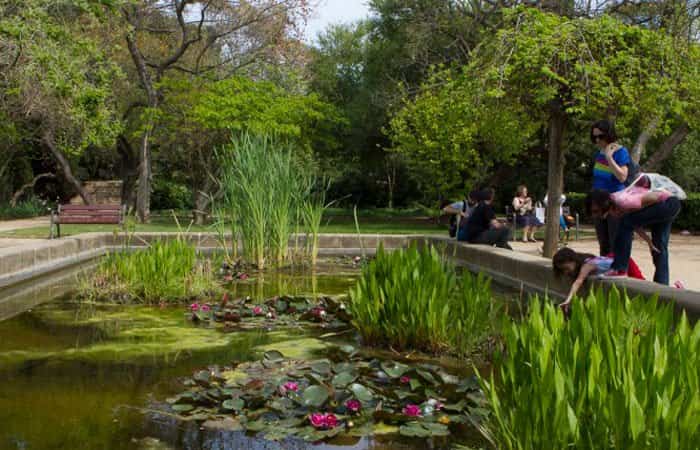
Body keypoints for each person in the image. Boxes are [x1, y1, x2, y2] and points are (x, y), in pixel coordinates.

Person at [586, 176, 682, 284]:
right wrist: (649, 241)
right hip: (667, 204)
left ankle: (620, 269)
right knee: (658, 247)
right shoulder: (616, 206)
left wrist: (645, 206)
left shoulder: (624, 201)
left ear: (603, 203)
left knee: (625, 223)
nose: (595, 215)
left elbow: (655, 197)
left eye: (595, 211)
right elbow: (635, 224)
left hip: (669, 204)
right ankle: (662, 284)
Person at [553, 247, 645, 313]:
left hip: (624, 263)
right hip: (613, 261)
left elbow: (578, 281)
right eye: (562, 270)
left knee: (642, 286)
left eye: (566, 268)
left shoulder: (586, 266)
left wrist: (568, 300)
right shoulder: (581, 262)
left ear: (572, 260)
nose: (565, 272)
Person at [590, 120, 632, 255]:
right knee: (603, 243)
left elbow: (622, 177)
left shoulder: (620, 152)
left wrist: (609, 157)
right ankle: (605, 269)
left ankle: (618, 270)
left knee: (616, 242)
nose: (597, 140)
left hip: (614, 202)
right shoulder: (599, 153)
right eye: (594, 137)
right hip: (598, 202)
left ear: (609, 134)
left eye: (600, 136)